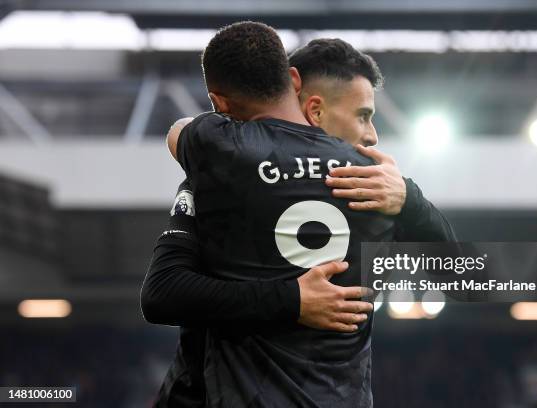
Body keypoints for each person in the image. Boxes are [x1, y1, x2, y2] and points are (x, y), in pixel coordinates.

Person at [141, 33, 456, 406]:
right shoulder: (380, 186)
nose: (372, 135)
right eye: (364, 115)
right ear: (306, 98)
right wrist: (410, 199)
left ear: (219, 103)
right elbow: (468, 277)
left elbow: (162, 294)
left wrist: (288, 299)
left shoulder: (219, 160)